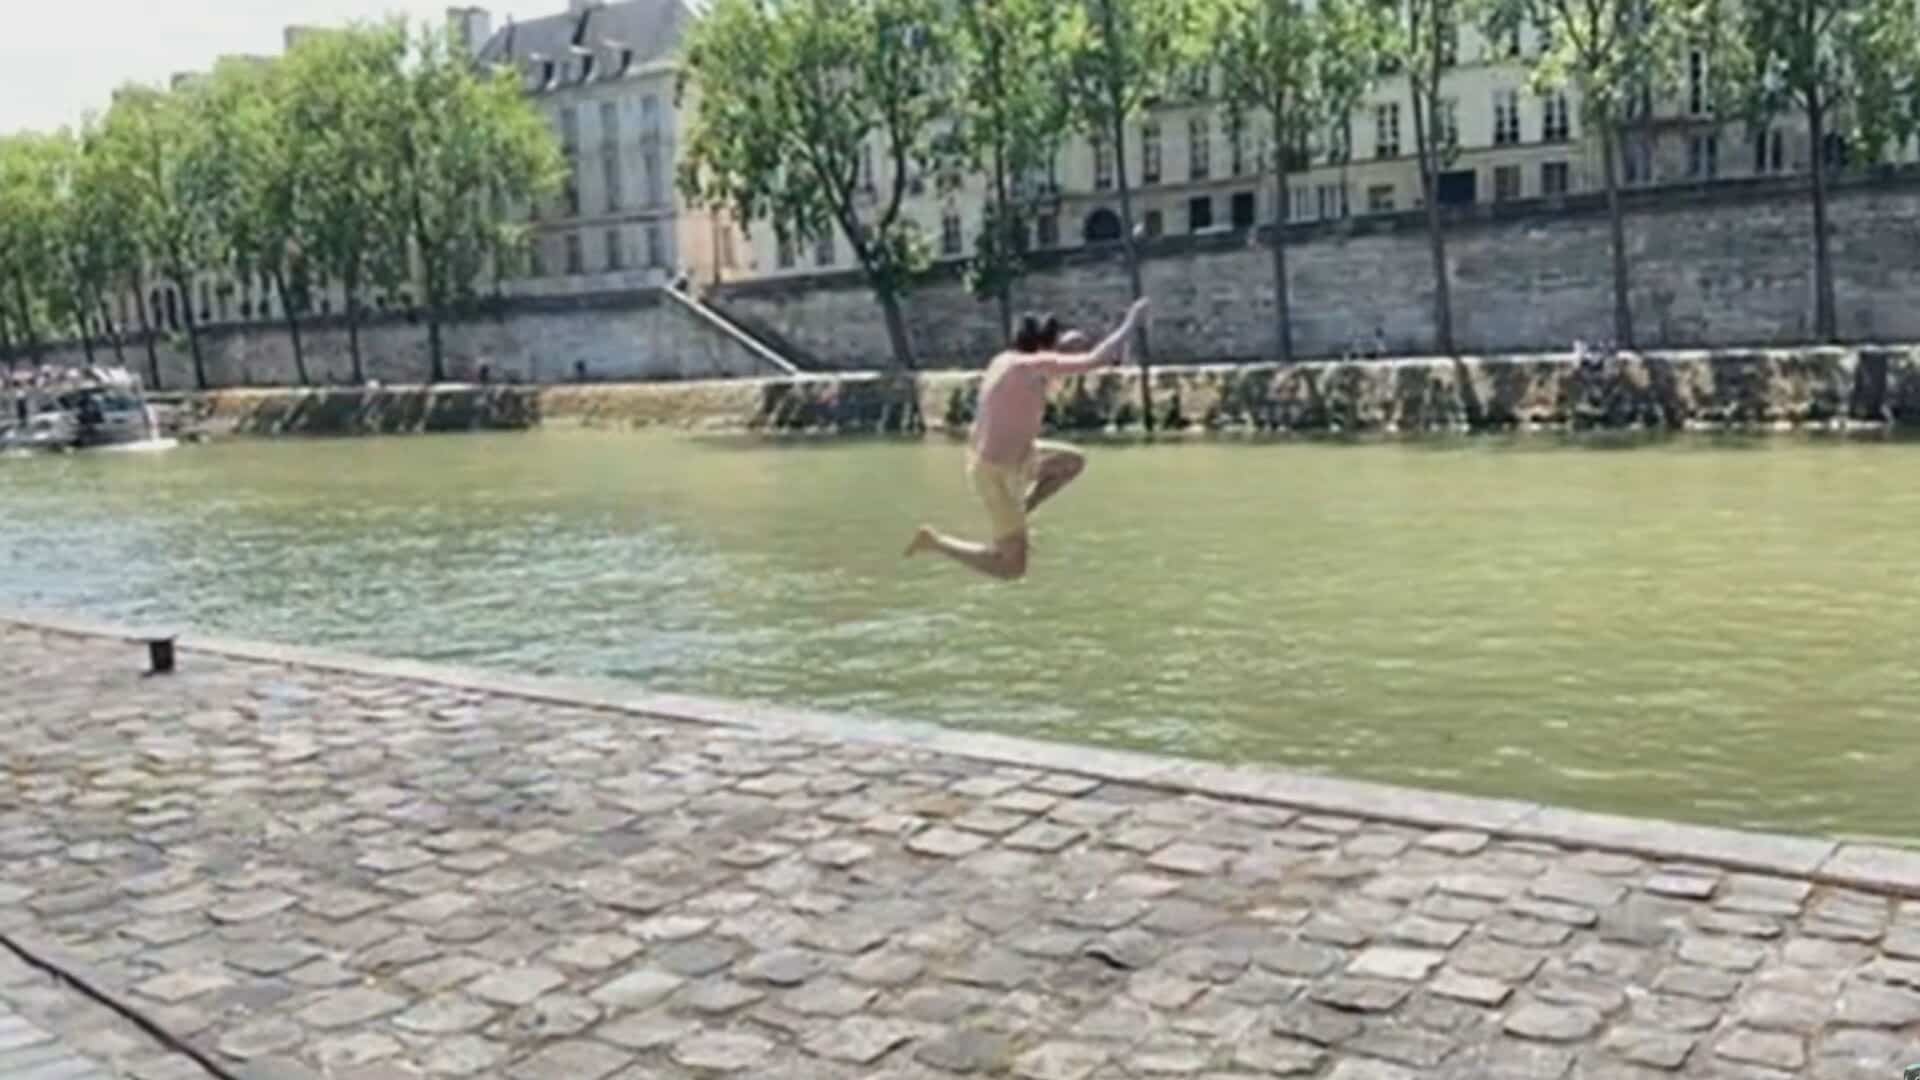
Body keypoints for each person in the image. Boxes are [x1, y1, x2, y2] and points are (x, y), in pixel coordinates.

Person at [905, 297, 1150, 581]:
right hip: (994, 472)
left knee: (1070, 462)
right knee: (1012, 568)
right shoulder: (1028, 367)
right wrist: (1131, 321)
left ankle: (1024, 507)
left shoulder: (1006, 361)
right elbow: (1096, 359)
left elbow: (1054, 367)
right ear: (1043, 347)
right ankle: (934, 542)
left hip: (1020, 456)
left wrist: (1065, 347)